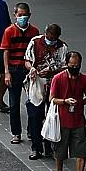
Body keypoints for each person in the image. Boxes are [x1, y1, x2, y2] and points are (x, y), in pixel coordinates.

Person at [49, 50, 86, 171]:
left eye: (77, 65)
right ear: (66, 64)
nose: (74, 68)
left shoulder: (85, 79)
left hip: (78, 120)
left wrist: (80, 103)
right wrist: (65, 101)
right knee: (60, 150)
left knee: (81, 151)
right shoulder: (58, 78)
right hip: (62, 120)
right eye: (72, 65)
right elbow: (52, 98)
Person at [24, 24, 65, 160]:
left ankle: (49, 147)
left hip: (54, 84)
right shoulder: (35, 42)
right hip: (37, 83)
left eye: (54, 38)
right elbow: (27, 60)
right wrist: (32, 69)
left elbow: (64, 67)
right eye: (49, 36)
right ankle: (36, 147)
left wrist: (52, 71)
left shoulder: (62, 47)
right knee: (35, 115)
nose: (51, 39)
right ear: (45, 33)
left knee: (51, 116)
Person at [0, 2, 37, 144]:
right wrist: (7, 72)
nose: (23, 18)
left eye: (25, 15)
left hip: (28, 71)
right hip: (14, 70)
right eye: (20, 15)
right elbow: (6, 52)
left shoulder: (34, 32)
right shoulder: (9, 31)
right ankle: (16, 133)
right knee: (14, 104)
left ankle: (31, 131)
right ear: (15, 15)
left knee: (32, 102)